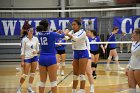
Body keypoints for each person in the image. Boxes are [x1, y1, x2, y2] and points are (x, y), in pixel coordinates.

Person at [37, 19, 65, 93]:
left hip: (42, 58)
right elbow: (62, 36)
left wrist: (55, 33)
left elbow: (48, 35)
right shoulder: (52, 34)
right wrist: (66, 32)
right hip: (51, 58)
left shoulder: (39, 34)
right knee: (53, 82)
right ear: (48, 26)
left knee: (42, 82)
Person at [64, 19, 88, 93]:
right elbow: (65, 38)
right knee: (75, 74)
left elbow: (76, 38)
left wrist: (67, 34)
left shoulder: (83, 32)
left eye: (74, 24)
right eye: (72, 24)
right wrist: (63, 33)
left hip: (83, 53)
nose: (73, 26)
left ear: (79, 25)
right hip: (76, 53)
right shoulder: (71, 32)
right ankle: (73, 90)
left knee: (82, 74)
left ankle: (82, 90)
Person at [16, 27, 39, 93]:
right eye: (30, 31)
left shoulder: (36, 39)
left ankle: (29, 88)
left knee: (32, 74)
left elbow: (37, 49)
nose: (31, 32)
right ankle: (19, 87)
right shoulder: (24, 40)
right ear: (27, 31)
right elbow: (22, 50)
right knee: (25, 74)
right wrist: (22, 61)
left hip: (34, 58)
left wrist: (36, 52)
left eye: (32, 31)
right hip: (27, 58)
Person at [125, 28, 140, 93]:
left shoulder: (134, 43)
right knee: (131, 87)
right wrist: (128, 66)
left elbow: (134, 52)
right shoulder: (134, 43)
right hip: (132, 66)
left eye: (133, 33)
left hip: (138, 67)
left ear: (138, 35)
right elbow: (132, 55)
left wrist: (133, 42)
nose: (132, 34)